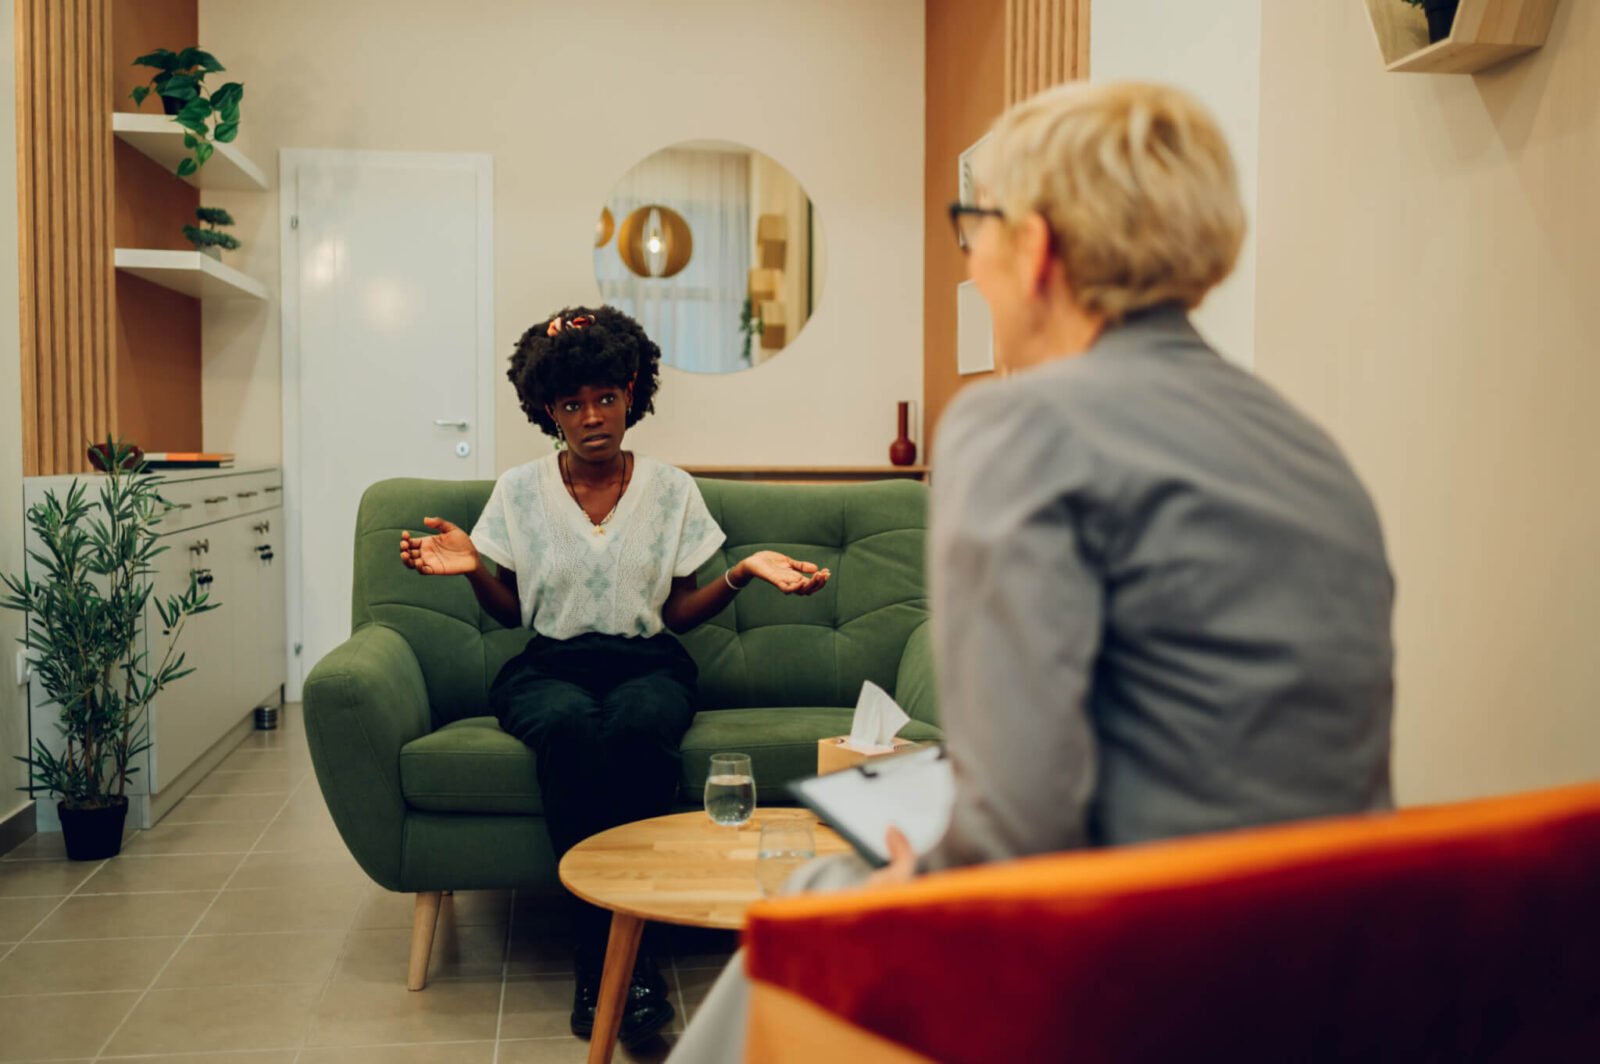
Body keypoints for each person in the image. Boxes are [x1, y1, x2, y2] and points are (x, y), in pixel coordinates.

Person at [670, 80, 1394, 1061]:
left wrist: (916, 870)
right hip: (1324, 962)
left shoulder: (1018, 424)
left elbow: (1017, 831)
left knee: (814, 904)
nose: (969, 258)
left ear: (1037, 245)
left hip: (1138, 962)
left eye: (973, 225)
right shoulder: (1307, 445)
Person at [399, 306, 830, 1048]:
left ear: (632, 391)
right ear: (547, 412)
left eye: (604, 397)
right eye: (571, 404)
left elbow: (681, 612)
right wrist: (473, 571)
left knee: (635, 727)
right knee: (568, 729)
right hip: (548, 664)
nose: (591, 418)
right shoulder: (518, 490)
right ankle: (608, 961)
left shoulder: (671, 489)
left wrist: (742, 573)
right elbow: (509, 613)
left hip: (646, 660)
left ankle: (623, 956)